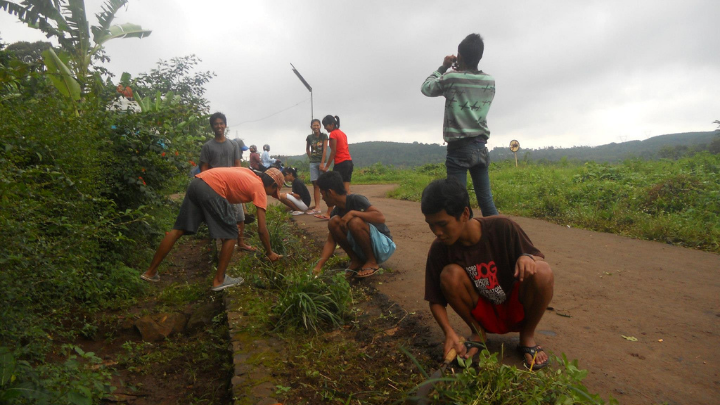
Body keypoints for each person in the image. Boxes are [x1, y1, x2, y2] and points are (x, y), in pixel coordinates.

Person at [421, 178, 554, 369]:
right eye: (431, 224)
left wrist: (527, 258)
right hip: (483, 312)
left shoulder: (503, 227)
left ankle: (527, 336)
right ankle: (478, 332)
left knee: (543, 270)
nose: (437, 232)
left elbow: (537, 257)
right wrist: (448, 331)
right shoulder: (440, 249)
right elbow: (435, 300)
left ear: (465, 213)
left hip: (516, 308)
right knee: (450, 274)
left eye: (442, 224)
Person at [140, 167, 285, 291]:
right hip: (212, 188)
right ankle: (219, 280)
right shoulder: (258, 187)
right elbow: (262, 229)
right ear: (272, 184)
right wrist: (270, 252)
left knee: (179, 229)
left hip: (197, 182)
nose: (270, 195)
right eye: (272, 191)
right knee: (231, 234)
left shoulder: (248, 173)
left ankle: (150, 272)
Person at [421, 33, 499, 217]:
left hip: (458, 149)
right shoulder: (490, 81)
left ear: (460, 56)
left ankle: (466, 240)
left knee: (458, 203)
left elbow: (426, 88)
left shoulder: (451, 78)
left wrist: (445, 67)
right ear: (479, 57)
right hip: (480, 147)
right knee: (486, 201)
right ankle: (498, 236)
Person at [312, 171, 395, 278]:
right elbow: (330, 242)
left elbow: (380, 218)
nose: (322, 197)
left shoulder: (356, 199)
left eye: (322, 193)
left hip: (383, 246)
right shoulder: (335, 212)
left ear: (330, 192)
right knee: (333, 221)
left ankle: (371, 262)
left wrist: (353, 213)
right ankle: (356, 260)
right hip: (365, 248)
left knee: (354, 221)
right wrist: (318, 267)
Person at [199, 112, 255, 252]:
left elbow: (237, 165)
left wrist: (240, 184)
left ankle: (241, 242)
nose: (219, 126)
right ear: (212, 126)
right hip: (215, 186)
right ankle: (223, 243)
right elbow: (203, 168)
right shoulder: (207, 146)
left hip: (232, 185)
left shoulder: (233, 145)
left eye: (221, 123)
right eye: (216, 124)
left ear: (225, 125)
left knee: (240, 216)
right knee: (220, 215)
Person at [316, 115, 353, 220]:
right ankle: (352, 210)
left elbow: (333, 152)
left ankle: (329, 213)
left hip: (341, 163)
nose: (325, 128)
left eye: (326, 125)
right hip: (348, 162)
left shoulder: (333, 134)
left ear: (332, 124)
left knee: (333, 189)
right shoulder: (343, 134)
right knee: (346, 189)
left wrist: (326, 166)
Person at [305, 118, 328, 214]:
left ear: (320, 126)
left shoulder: (324, 136)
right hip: (313, 163)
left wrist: (322, 163)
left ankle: (331, 206)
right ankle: (317, 207)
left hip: (322, 162)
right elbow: (307, 149)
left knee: (326, 184)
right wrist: (311, 158)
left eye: (317, 125)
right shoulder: (309, 137)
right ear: (311, 127)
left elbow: (325, 150)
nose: (316, 127)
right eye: (314, 125)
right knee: (315, 185)